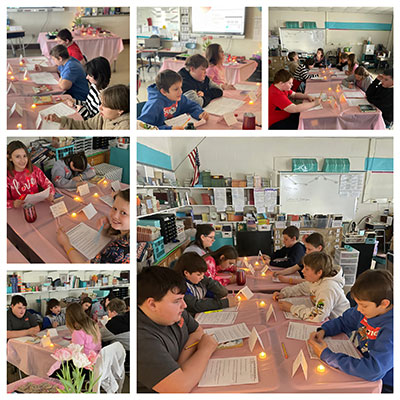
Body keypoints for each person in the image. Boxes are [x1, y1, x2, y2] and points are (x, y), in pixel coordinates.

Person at [308, 270, 393, 393]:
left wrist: (326, 355)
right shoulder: (365, 311)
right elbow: (344, 322)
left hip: (383, 382)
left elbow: (375, 370)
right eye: (358, 304)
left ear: (384, 304)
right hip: (360, 360)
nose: (358, 309)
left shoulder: (392, 330)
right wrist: (324, 330)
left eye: (363, 305)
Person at [137, 266, 218, 393]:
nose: (184, 305)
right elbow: (178, 388)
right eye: (177, 301)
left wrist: (181, 364)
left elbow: (197, 332)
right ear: (152, 304)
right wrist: (205, 349)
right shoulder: (141, 339)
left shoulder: (174, 312)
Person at [56, 189, 130, 263]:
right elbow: (116, 233)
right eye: (115, 208)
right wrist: (107, 228)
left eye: (123, 213)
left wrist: (66, 244)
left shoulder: (118, 251)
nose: (115, 216)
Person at [273, 252, 350, 322]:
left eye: (307, 269)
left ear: (319, 272)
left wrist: (291, 308)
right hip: (328, 317)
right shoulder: (317, 279)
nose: (302, 271)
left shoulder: (328, 288)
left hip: (339, 324)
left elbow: (317, 316)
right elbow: (302, 288)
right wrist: (283, 293)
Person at [138, 69, 209, 130]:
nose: (181, 91)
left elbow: (192, 106)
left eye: (181, 87)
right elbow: (143, 128)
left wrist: (199, 113)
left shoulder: (178, 97)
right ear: (164, 92)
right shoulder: (154, 105)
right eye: (176, 89)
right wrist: (169, 129)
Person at [46, 84, 130, 130]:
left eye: (105, 106)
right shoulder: (104, 116)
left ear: (120, 111)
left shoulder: (124, 127)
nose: (100, 108)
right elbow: (85, 125)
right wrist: (60, 120)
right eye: (101, 104)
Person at [7, 140, 55, 208]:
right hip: (19, 210)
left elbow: (48, 184)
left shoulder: (34, 169)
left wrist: (51, 193)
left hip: (37, 207)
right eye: (17, 157)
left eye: (24, 156)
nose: (23, 160)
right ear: (10, 158)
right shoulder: (7, 177)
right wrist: (13, 203)